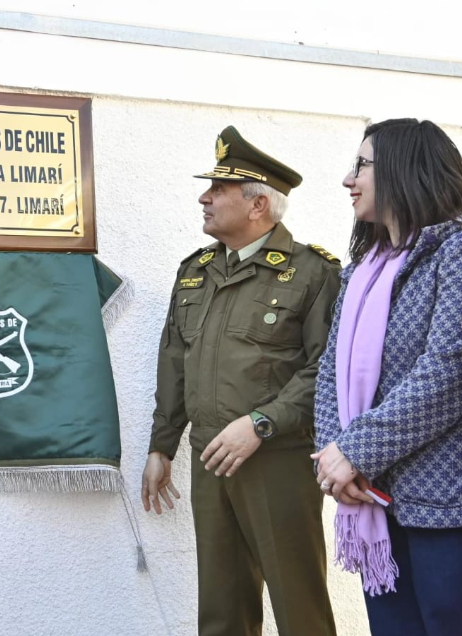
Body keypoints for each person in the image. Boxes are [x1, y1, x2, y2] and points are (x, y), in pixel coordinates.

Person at [141, 125, 341, 635]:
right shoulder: (196, 271)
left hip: (277, 458)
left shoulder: (312, 273)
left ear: (258, 205)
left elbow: (326, 369)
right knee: (221, 607)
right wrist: (162, 445)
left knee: (299, 606)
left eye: (218, 188)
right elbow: (174, 361)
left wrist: (260, 423)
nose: (204, 198)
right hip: (210, 456)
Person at [312, 119, 462, 636]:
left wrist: (356, 451)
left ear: (403, 169)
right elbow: (330, 371)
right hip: (374, 495)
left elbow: (451, 371)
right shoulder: (363, 269)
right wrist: (335, 455)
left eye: (362, 165)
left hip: (450, 501)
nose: (348, 179)